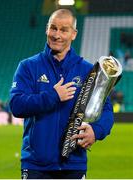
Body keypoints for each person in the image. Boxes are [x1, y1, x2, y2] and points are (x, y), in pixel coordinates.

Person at [9, 9, 114, 179]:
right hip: (36, 165)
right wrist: (53, 96)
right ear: (46, 29)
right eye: (53, 28)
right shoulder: (28, 66)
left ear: (74, 34)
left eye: (64, 30)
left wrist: (96, 130)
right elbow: (16, 105)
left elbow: (106, 109)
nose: (57, 35)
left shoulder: (88, 71)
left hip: (74, 164)